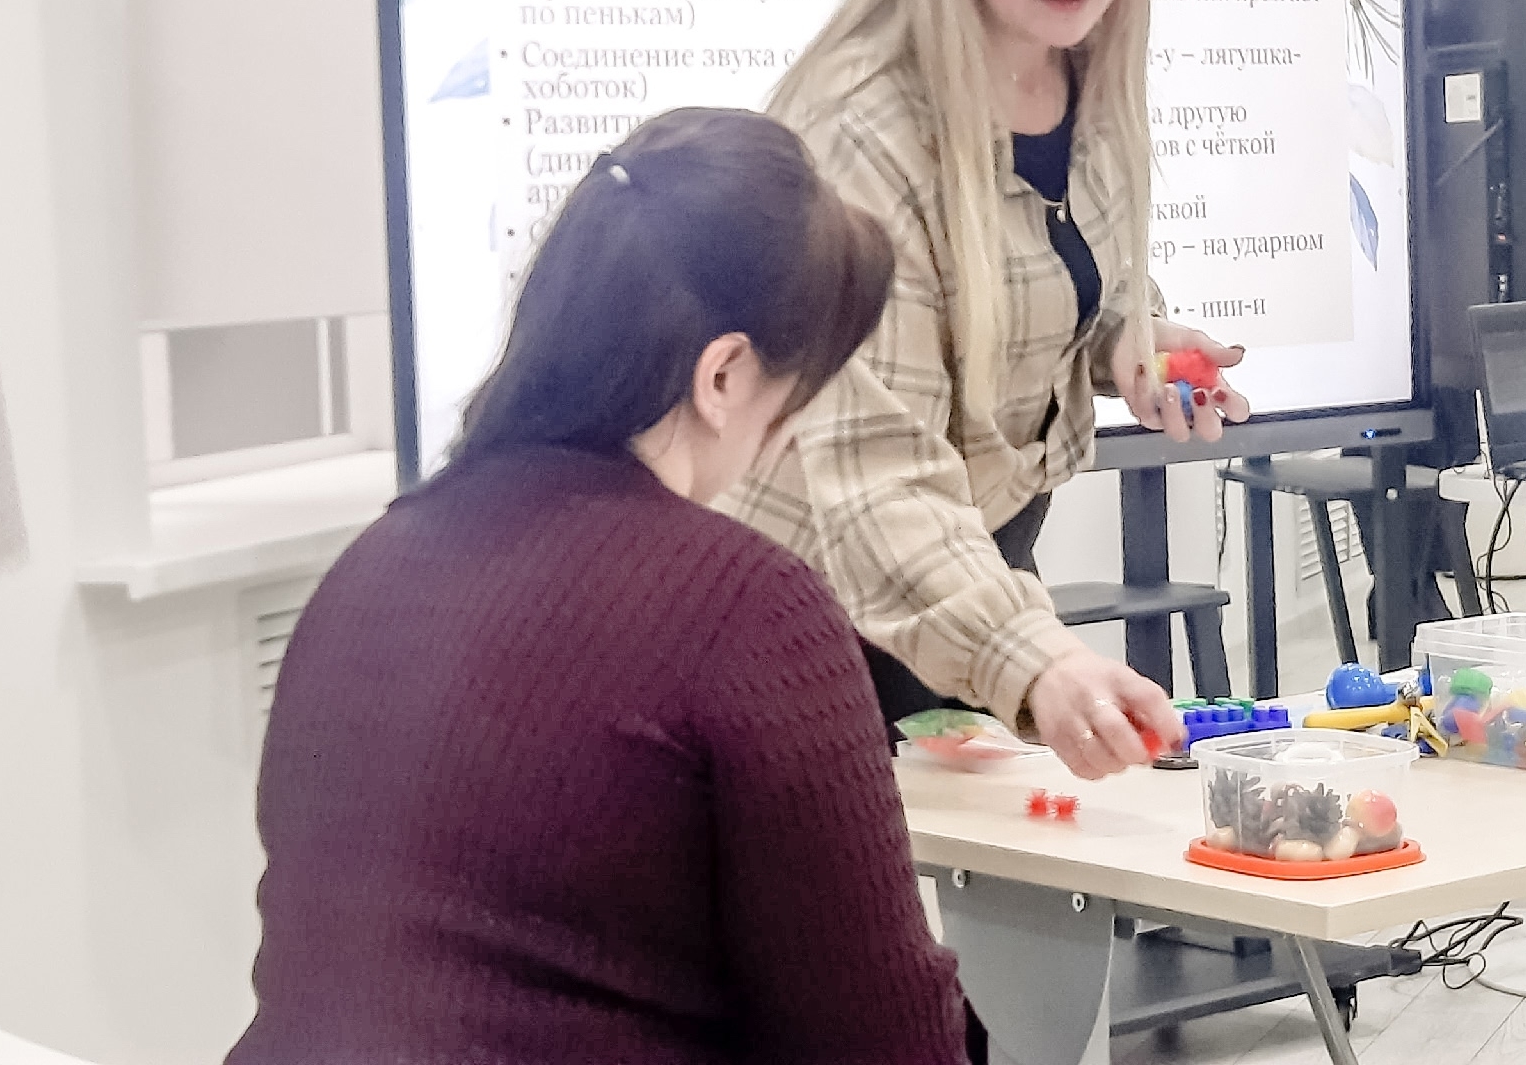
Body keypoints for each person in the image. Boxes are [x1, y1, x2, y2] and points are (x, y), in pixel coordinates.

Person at [233, 110, 979, 1065]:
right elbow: (886, 1042)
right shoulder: (748, 609)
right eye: (794, 403)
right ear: (724, 375)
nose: (785, 444)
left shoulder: (372, 563)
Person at [721, 0, 1239, 781]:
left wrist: (1129, 341)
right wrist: (1036, 659)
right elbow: (874, 478)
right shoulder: (860, 136)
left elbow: (1058, 272)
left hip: (967, 578)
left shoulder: (1081, 69)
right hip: (809, 621)